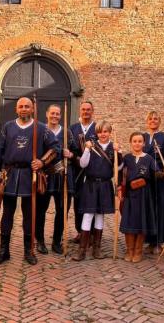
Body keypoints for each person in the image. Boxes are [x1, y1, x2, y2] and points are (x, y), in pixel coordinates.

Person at [0, 97, 60, 265]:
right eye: (20, 106)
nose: (23, 109)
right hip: (9, 174)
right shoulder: (8, 127)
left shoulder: (41, 128)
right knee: (7, 214)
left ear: (32, 109)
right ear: (16, 109)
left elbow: (55, 148)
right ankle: (4, 251)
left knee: (29, 215)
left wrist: (42, 161)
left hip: (31, 175)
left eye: (27, 106)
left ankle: (29, 251)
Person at [72, 120, 121, 261]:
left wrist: (118, 153)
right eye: (99, 132)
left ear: (110, 132)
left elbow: (118, 168)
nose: (102, 134)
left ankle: (97, 249)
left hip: (105, 185)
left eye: (105, 131)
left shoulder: (113, 147)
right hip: (91, 185)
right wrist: (87, 149)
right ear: (96, 133)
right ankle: (82, 249)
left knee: (100, 215)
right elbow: (83, 164)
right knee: (88, 215)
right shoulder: (92, 145)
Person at [35, 104, 77, 254]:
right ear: (47, 114)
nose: (55, 116)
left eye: (57, 114)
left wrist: (70, 154)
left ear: (60, 116)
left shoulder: (67, 133)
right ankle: (40, 241)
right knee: (40, 210)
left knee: (62, 210)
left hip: (63, 176)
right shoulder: (40, 131)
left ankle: (56, 242)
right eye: (52, 113)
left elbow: (76, 152)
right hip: (45, 176)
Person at [119, 132, 162, 263]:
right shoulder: (126, 158)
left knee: (141, 222)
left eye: (140, 141)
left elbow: (156, 173)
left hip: (144, 195)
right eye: (134, 141)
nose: (137, 144)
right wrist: (119, 190)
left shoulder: (149, 159)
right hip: (129, 195)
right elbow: (119, 173)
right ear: (130, 143)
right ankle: (129, 250)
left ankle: (138, 251)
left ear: (143, 143)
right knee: (129, 222)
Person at [143, 111, 164, 255]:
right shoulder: (142, 137)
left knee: (160, 209)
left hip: (160, 179)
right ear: (147, 121)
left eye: (156, 118)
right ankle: (148, 241)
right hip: (145, 179)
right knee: (148, 209)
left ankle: (158, 241)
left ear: (159, 121)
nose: (153, 121)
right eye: (150, 119)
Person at [69, 101, 97, 243]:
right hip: (77, 171)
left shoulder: (97, 128)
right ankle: (80, 231)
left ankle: (92, 233)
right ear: (80, 111)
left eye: (88, 109)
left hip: (93, 171)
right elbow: (70, 148)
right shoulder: (73, 128)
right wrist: (75, 158)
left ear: (92, 111)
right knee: (78, 201)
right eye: (83, 109)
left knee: (92, 201)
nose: (86, 112)